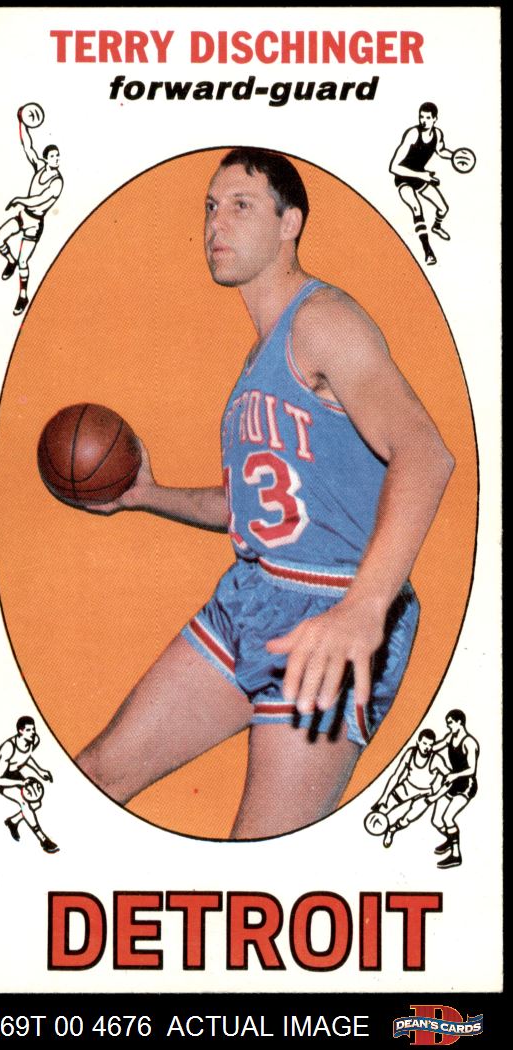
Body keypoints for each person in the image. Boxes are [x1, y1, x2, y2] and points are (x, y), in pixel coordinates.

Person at [74, 147, 454, 839]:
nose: (215, 224)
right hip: (253, 592)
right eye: (210, 208)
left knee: (258, 853)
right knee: (95, 776)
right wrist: (143, 495)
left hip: (333, 606)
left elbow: (426, 454)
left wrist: (364, 608)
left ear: (289, 224)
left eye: (240, 205)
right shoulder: (261, 356)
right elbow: (247, 509)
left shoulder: (324, 320)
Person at [0, 113, 63, 316]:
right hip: (24, 216)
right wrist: (22, 121)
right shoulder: (39, 167)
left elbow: (39, 200)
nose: (57, 159)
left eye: (58, 156)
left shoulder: (57, 182)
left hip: (34, 224)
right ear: (46, 159)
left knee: (24, 262)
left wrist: (19, 199)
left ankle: (23, 296)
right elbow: (27, 146)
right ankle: (10, 260)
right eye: (53, 156)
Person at [389, 102, 454, 266]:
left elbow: (441, 151)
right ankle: (428, 252)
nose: (424, 121)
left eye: (427, 118)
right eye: (421, 117)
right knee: (417, 208)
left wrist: (454, 156)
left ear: (435, 119)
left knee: (443, 208)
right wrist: (422, 175)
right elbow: (394, 167)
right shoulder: (413, 134)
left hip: (421, 176)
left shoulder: (437, 134)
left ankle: (436, 227)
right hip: (403, 177)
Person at [372, 728, 448, 848]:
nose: (427, 747)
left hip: (425, 793)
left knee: (408, 818)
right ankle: (379, 827)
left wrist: (437, 794)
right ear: (418, 741)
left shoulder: (436, 759)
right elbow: (396, 776)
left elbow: (450, 777)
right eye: (424, 743)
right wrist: (384, 796)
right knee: (383, 810)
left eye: (430, 745)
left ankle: (392, 830)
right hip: (407, 787)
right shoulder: (410, 753)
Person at [0, 716, 58, 852]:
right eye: (28, 730)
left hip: (15, 774)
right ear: (20, 731)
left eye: (33, 729)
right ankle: (43, 840)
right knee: (25, 803)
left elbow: (26, 757)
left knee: (36, 803)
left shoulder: (34, 740)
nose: (33, 732)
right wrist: (21, 782)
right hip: (3, 780)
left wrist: (40, 771)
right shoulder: (8, 748)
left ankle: (13, 821)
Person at [429, 709, 479, 868]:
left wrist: (454, 775)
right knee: (436, 820)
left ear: (459, 722)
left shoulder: (469, 742)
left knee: (448, 818)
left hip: (466, 785)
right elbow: (437, 746)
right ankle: (451, 839)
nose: (448, 726)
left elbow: (472, 769)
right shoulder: (451, 736)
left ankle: (456, 855)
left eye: (450, 723)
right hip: (453, 782)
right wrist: (425, 747)